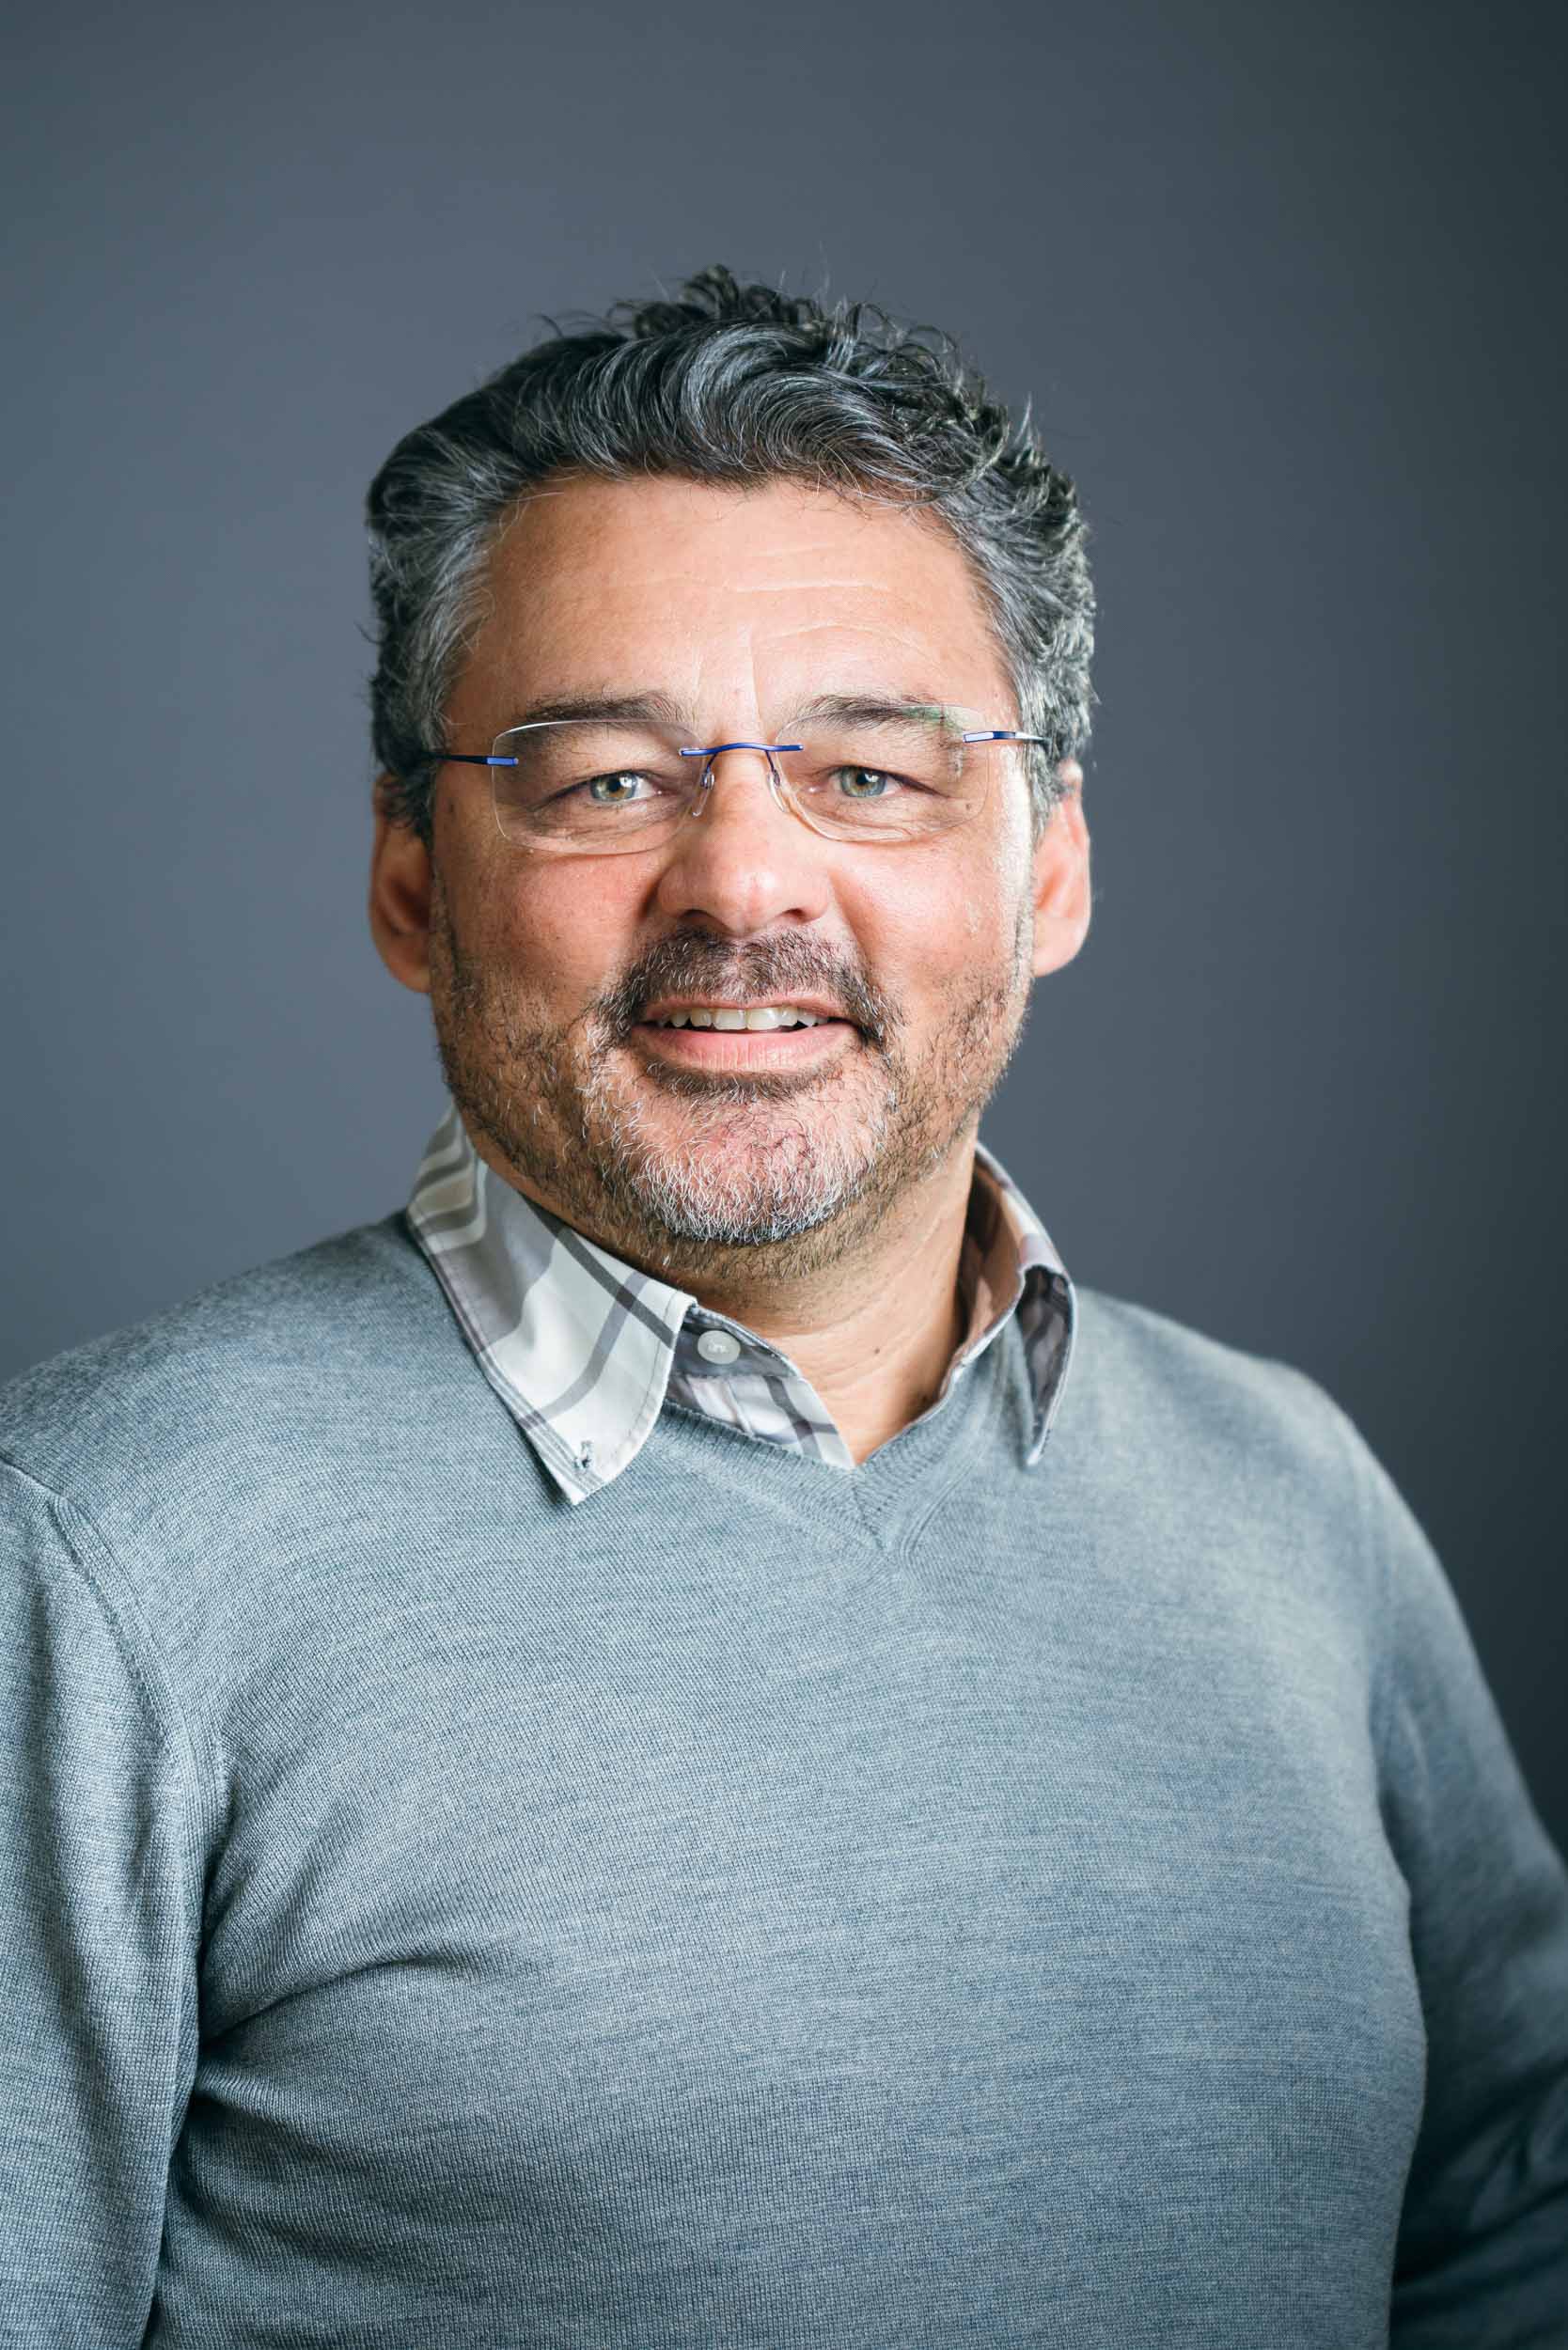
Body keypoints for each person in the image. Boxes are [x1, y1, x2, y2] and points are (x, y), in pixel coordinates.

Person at [2, 263, 1564, 2349]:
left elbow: (1508, 2236)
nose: (746, 884)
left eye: (873, 774)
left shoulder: (1294, 1496)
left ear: (1054, 866)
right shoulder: (93, 1553)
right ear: (409, 876)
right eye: (607, 780)